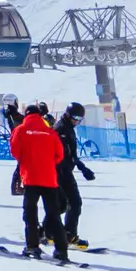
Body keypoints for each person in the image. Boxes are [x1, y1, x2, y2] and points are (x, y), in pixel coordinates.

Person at [10, 104, 69, 261]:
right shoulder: (50, 131)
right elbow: (59, 154)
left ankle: (32, 246)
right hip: (49, 178)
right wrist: (47, 162)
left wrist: (27, 160)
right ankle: (61, 249)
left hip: (30, 178)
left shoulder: (21, 130)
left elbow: (15, 151)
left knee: (30, 213)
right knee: (53, 214)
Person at [55, 102, 97, 250]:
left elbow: (71, 155)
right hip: (59, 172)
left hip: (66, 171)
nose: (77, 121)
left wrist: (82, 167)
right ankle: (54, 234)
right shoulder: (61, 129)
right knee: (68, 204)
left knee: (69, 204)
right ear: (67, 115)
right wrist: (79, 166)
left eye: (80, 119)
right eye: (75, 118)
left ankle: (66, 234)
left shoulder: (69, 128)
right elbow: (63, 155)